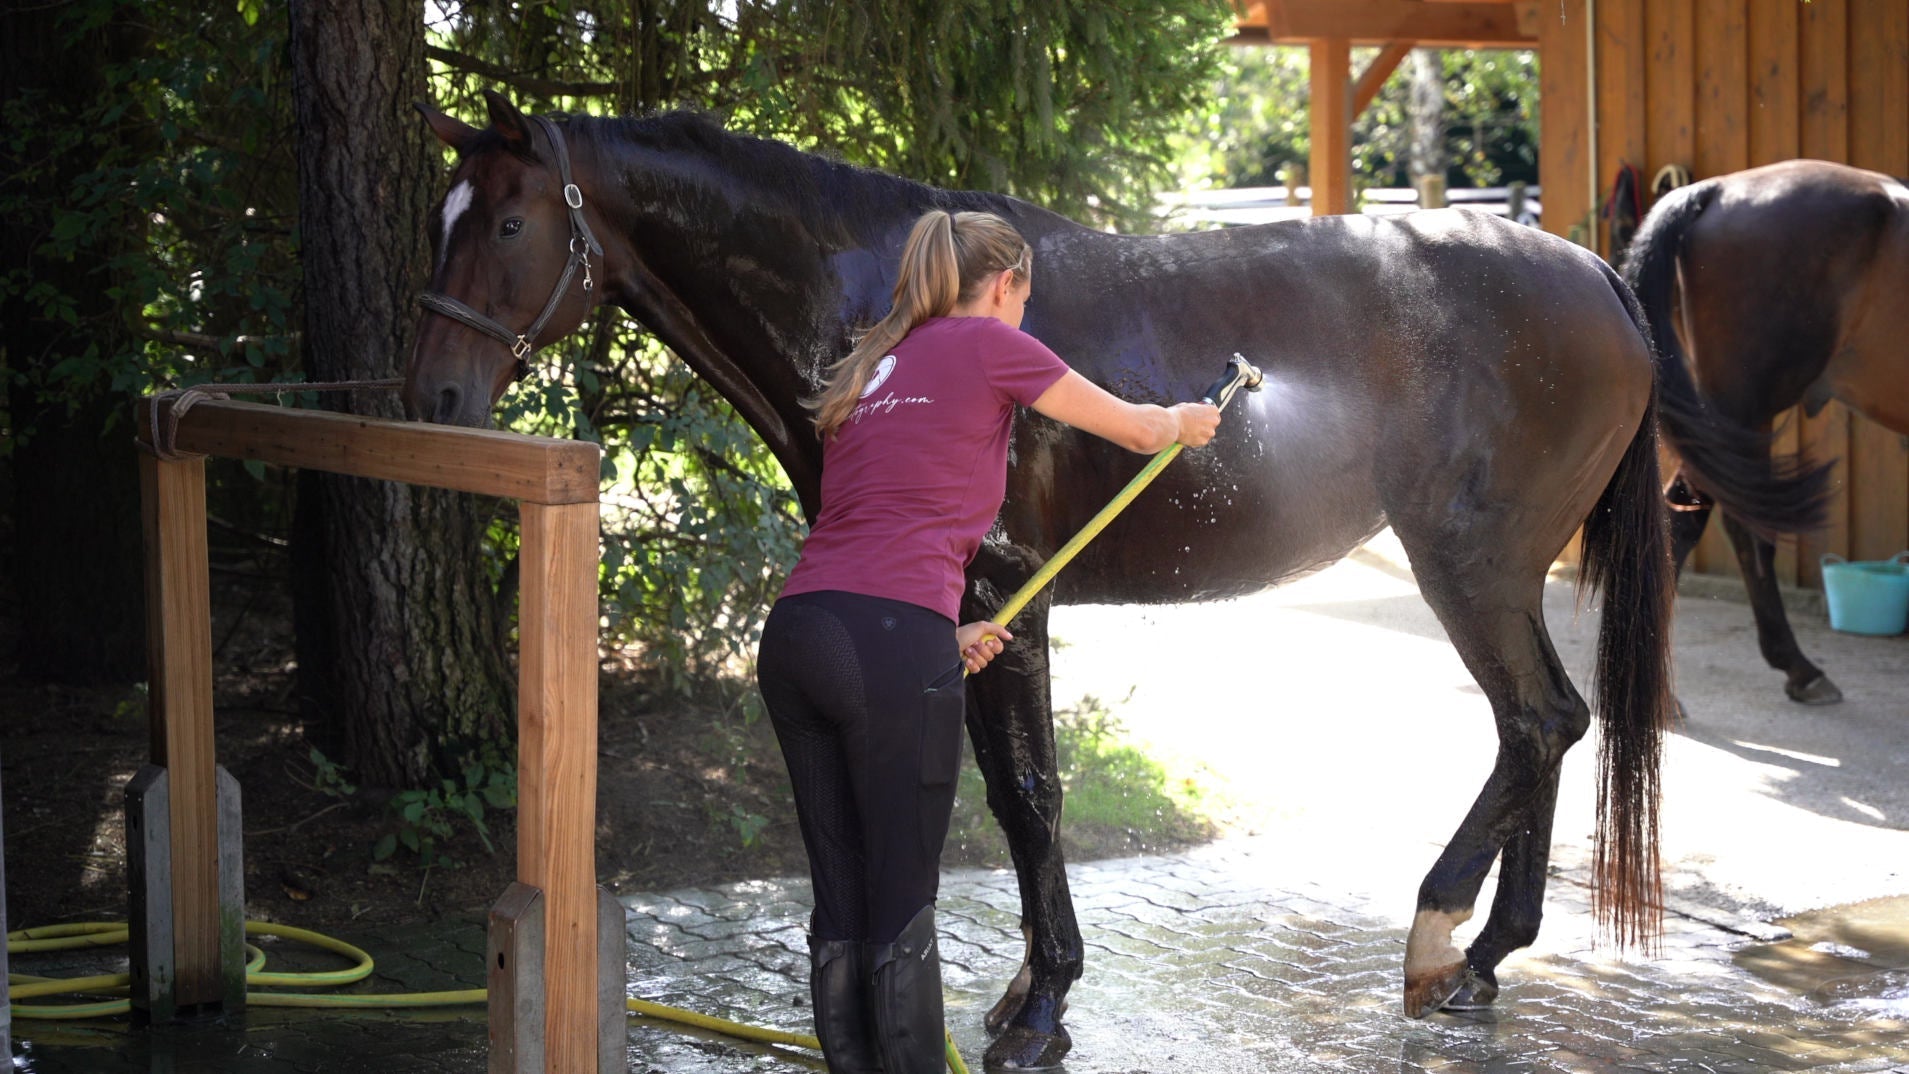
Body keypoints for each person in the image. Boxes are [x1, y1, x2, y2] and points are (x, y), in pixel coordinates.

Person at [755, 208, 1220, 1073]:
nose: (1021, 315)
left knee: (842, 897)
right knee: (898, 903)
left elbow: (876, 522)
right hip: (885, 645)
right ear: (1005, 284)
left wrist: (944, 632)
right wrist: (1185, 421)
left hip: (802, 635)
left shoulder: (875, 362)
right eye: (1022, 298)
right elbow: (1136, 428)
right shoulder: (989, 343)